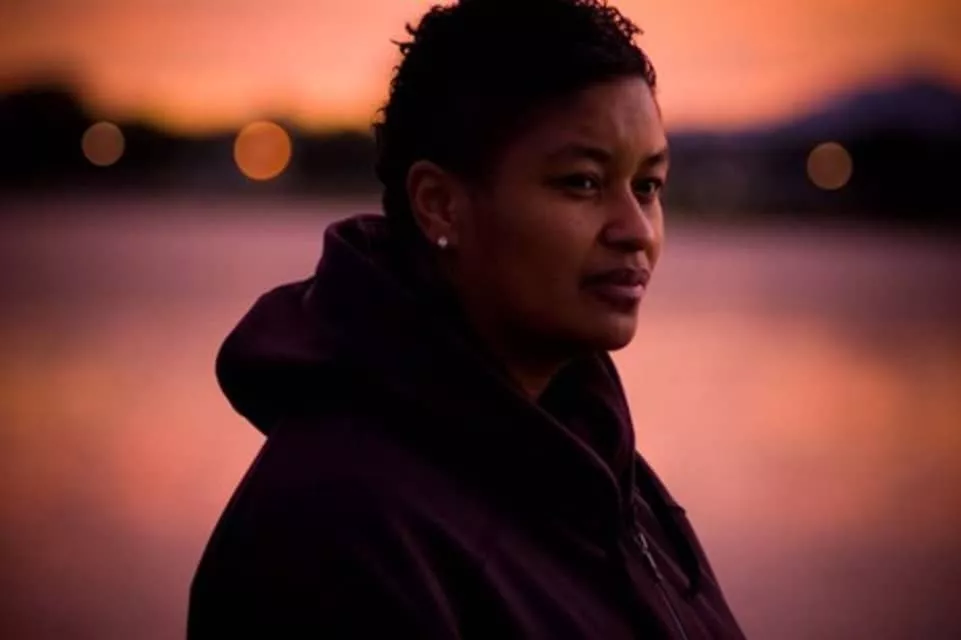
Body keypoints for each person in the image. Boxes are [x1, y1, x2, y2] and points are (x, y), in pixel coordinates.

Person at [188, 0, 746, 637]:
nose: (637, 230)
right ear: (440, 205)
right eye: (583, 183)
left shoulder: (598, 472)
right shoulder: (331, 534)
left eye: (648, 186)